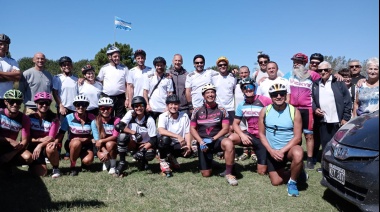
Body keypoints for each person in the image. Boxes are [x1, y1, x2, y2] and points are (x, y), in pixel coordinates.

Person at [258, 83, 306, 197]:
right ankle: (298, 172)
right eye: (275, 94)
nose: (278, 96)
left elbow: (298, 137)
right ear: (271, 96)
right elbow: (261, 134)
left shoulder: (294, 111)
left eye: (282, 94)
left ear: (285, 95)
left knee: (298, 153)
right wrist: (271, 151)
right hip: (273, 150)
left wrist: (282, 151)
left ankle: (293, 183)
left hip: (288, 149)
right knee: (276, 182)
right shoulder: (265, 111)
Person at [190, 83, 238, 186]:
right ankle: (210, 161)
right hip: (203, 142)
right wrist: (200, 141)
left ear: (215, 95)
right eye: (207, 92)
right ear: (203, 95)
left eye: (212, 92)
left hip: (217, 140)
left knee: (228, 143)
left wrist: (213, 138)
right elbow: (193, 129)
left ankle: (229, 173)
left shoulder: (222, 110)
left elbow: (225, 129)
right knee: (206, 174)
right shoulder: (197, 111)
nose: (210, 94)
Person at [312, 61, 352, 172]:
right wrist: (315, 109)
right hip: (323, 120)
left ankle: (338, 167)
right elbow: (313, 101)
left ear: (330, 71)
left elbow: (347, 101)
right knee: (325, 144)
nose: (323, 72)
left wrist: (345, 118)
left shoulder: (338, 83)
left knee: (338, 145)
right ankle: (325, 167)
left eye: (326, 70)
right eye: (320, 70)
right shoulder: (316, 84)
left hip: (337, 120)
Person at [228, 78, 272, 175]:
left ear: (255, 87)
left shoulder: (265, 100)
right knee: (230, 139)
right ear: (242, 90)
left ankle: (268, 160)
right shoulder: (241, 105)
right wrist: (242, 135)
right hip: (250, 135)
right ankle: (230, 168)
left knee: (262, 172)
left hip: (263, 137)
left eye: (250, 87)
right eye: (245, 88)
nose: (248, 89)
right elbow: (235, 123)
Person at [115, 96, 158, 177]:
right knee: (122, 136)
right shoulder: (130, 114)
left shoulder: (149, 119)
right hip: (133, 142)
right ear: (133, 107)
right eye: (136, 106)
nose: (139, 108)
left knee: (150, 154)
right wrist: (133, 133)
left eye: (141, 105)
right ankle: (122, 162)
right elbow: (119, 126)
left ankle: (143, 160)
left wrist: (143, 150)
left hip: (145, 144)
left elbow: (153, 139)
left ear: (145, 106)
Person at [285, 61, 316, 169]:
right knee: (294, 135)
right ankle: (296, 157)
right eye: (294, 62)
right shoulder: (289, 75)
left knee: (309, 135)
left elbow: (324, 78)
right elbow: (276, 79)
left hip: (307, 109)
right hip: (293, 108)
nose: (296, 64)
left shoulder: (311, 75)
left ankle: (310, 159)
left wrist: (337, 74)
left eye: (299, 62)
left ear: (304, 63)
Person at [56, 95, 96, 176]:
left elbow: (96, 134)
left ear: (87, 106)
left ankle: (84, 163)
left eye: (84, 104)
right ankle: (73, 166)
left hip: (86, 144)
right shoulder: (68, 117)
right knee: (76, 142)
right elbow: (61, 133)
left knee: (88, 161)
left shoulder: (92, 117)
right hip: (72, 144)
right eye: (78, 104)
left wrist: (88, 139)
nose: (81, 107)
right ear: (75, 106)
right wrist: (55, 142)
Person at [157, 94, 192, 177]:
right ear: (167, 105)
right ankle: (163, 161)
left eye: (175, 104)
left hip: (179, 144)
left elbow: (187, 132)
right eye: (171, 104)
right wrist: (177, 136)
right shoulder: (163, 116)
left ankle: (171, 158)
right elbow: (161, 131)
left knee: (192, 150)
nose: (173, 106)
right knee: (165, 139)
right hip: (166, 143)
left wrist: (188, 145)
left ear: (179, 105)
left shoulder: (184, 116)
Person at [27, 92, 60, 178]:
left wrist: (40, 145)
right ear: (36, 103)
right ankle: (32, 166)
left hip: (44, 146)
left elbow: (51, 138)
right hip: (32, 147)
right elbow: (26, 138)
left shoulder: (54, 118)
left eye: (47, 103)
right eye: (41, 103)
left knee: (51, 147)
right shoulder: (29, 118)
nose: (44, 105)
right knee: (42, 173)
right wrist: (39, 140)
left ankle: (56, 168)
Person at [0, 89, 32, 176]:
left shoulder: (24, 118)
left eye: (18, 102)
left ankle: (8, 165)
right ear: (6, 102)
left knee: (28, 157)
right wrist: (9, 140)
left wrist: (11, 154)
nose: (15, 104)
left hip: (11, 148)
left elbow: (25, 140)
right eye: (12, 101)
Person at [52, 56, 78, 159]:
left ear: (71, 65)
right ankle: (57, 151)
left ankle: (68, 152)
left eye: (68, 64)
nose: (66, 66)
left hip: (74, 108)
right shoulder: (57, 78)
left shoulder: (76, 79)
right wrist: (60, 105)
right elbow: (55, 92)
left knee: (71, 132)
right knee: (60, 131)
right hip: (63, 107)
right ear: (61, 67)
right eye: (64, 65)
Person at [97, 46, 129, 118]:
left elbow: (127, 85)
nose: (117, 58)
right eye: (115, 56)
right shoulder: (104, 68)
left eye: (118, 56)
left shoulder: (124, 68)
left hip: (120, 98)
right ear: (109, 57)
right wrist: (83, 79)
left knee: (120, 119)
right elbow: (98, 81)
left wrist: (127, 99)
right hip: (107, 97)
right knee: (107, 118)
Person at [91, 97, 120, 175]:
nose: (106, 111)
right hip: (101, 146)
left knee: (110, 144)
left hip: (114, 144)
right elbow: (97, 140)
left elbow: (115, 136)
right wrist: (104, 151)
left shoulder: (116, 120)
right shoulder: (94, 122)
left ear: (111, 109)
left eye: (108, 108)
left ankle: (113, 166)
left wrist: (102, 141)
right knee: (106, 145)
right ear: (99, 109)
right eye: (103, 108)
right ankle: (106, 161)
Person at [143, 56, 173, 121]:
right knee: (151, 128)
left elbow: (170, 93)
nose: (159, 67)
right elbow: (145, 92)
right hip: (152, 108)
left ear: (164, 66)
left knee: (163, 129)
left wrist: (168, 106)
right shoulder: (149, 77)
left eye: (161, 65)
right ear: (155, 66)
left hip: (164, 108)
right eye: (158, 65)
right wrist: (147, 105)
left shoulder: (168, 78)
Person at [213, 56, 237, 131]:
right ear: (217, 67)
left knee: (231, 129)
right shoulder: (214, 78)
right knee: (219, 129)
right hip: (218, 108)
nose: (222, 66)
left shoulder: (233, 77)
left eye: (224, 64)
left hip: (230, 108)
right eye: (220, 65)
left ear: (227, 66)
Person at [0, 34, 21, 109]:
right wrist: (11, 76)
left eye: (5, 44)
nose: (3, 46)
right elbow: (15, 77)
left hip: (8, 98)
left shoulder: (12, 61)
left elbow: (18, 76)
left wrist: (1, 73)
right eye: (0, 44)